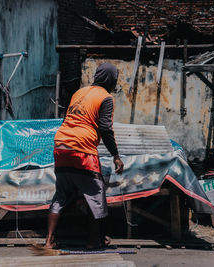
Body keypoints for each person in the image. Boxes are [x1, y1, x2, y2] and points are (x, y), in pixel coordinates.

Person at [45, 63, 124, 249]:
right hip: (83, 149)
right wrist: (116, 156)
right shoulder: (106, 98)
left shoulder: (79, 93)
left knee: (61, 194)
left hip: (61, 145)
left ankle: (48, 240)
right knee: (96, 193)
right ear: (111, 80)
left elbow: (68, 119)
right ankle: (93, 240)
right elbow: (105, 128)